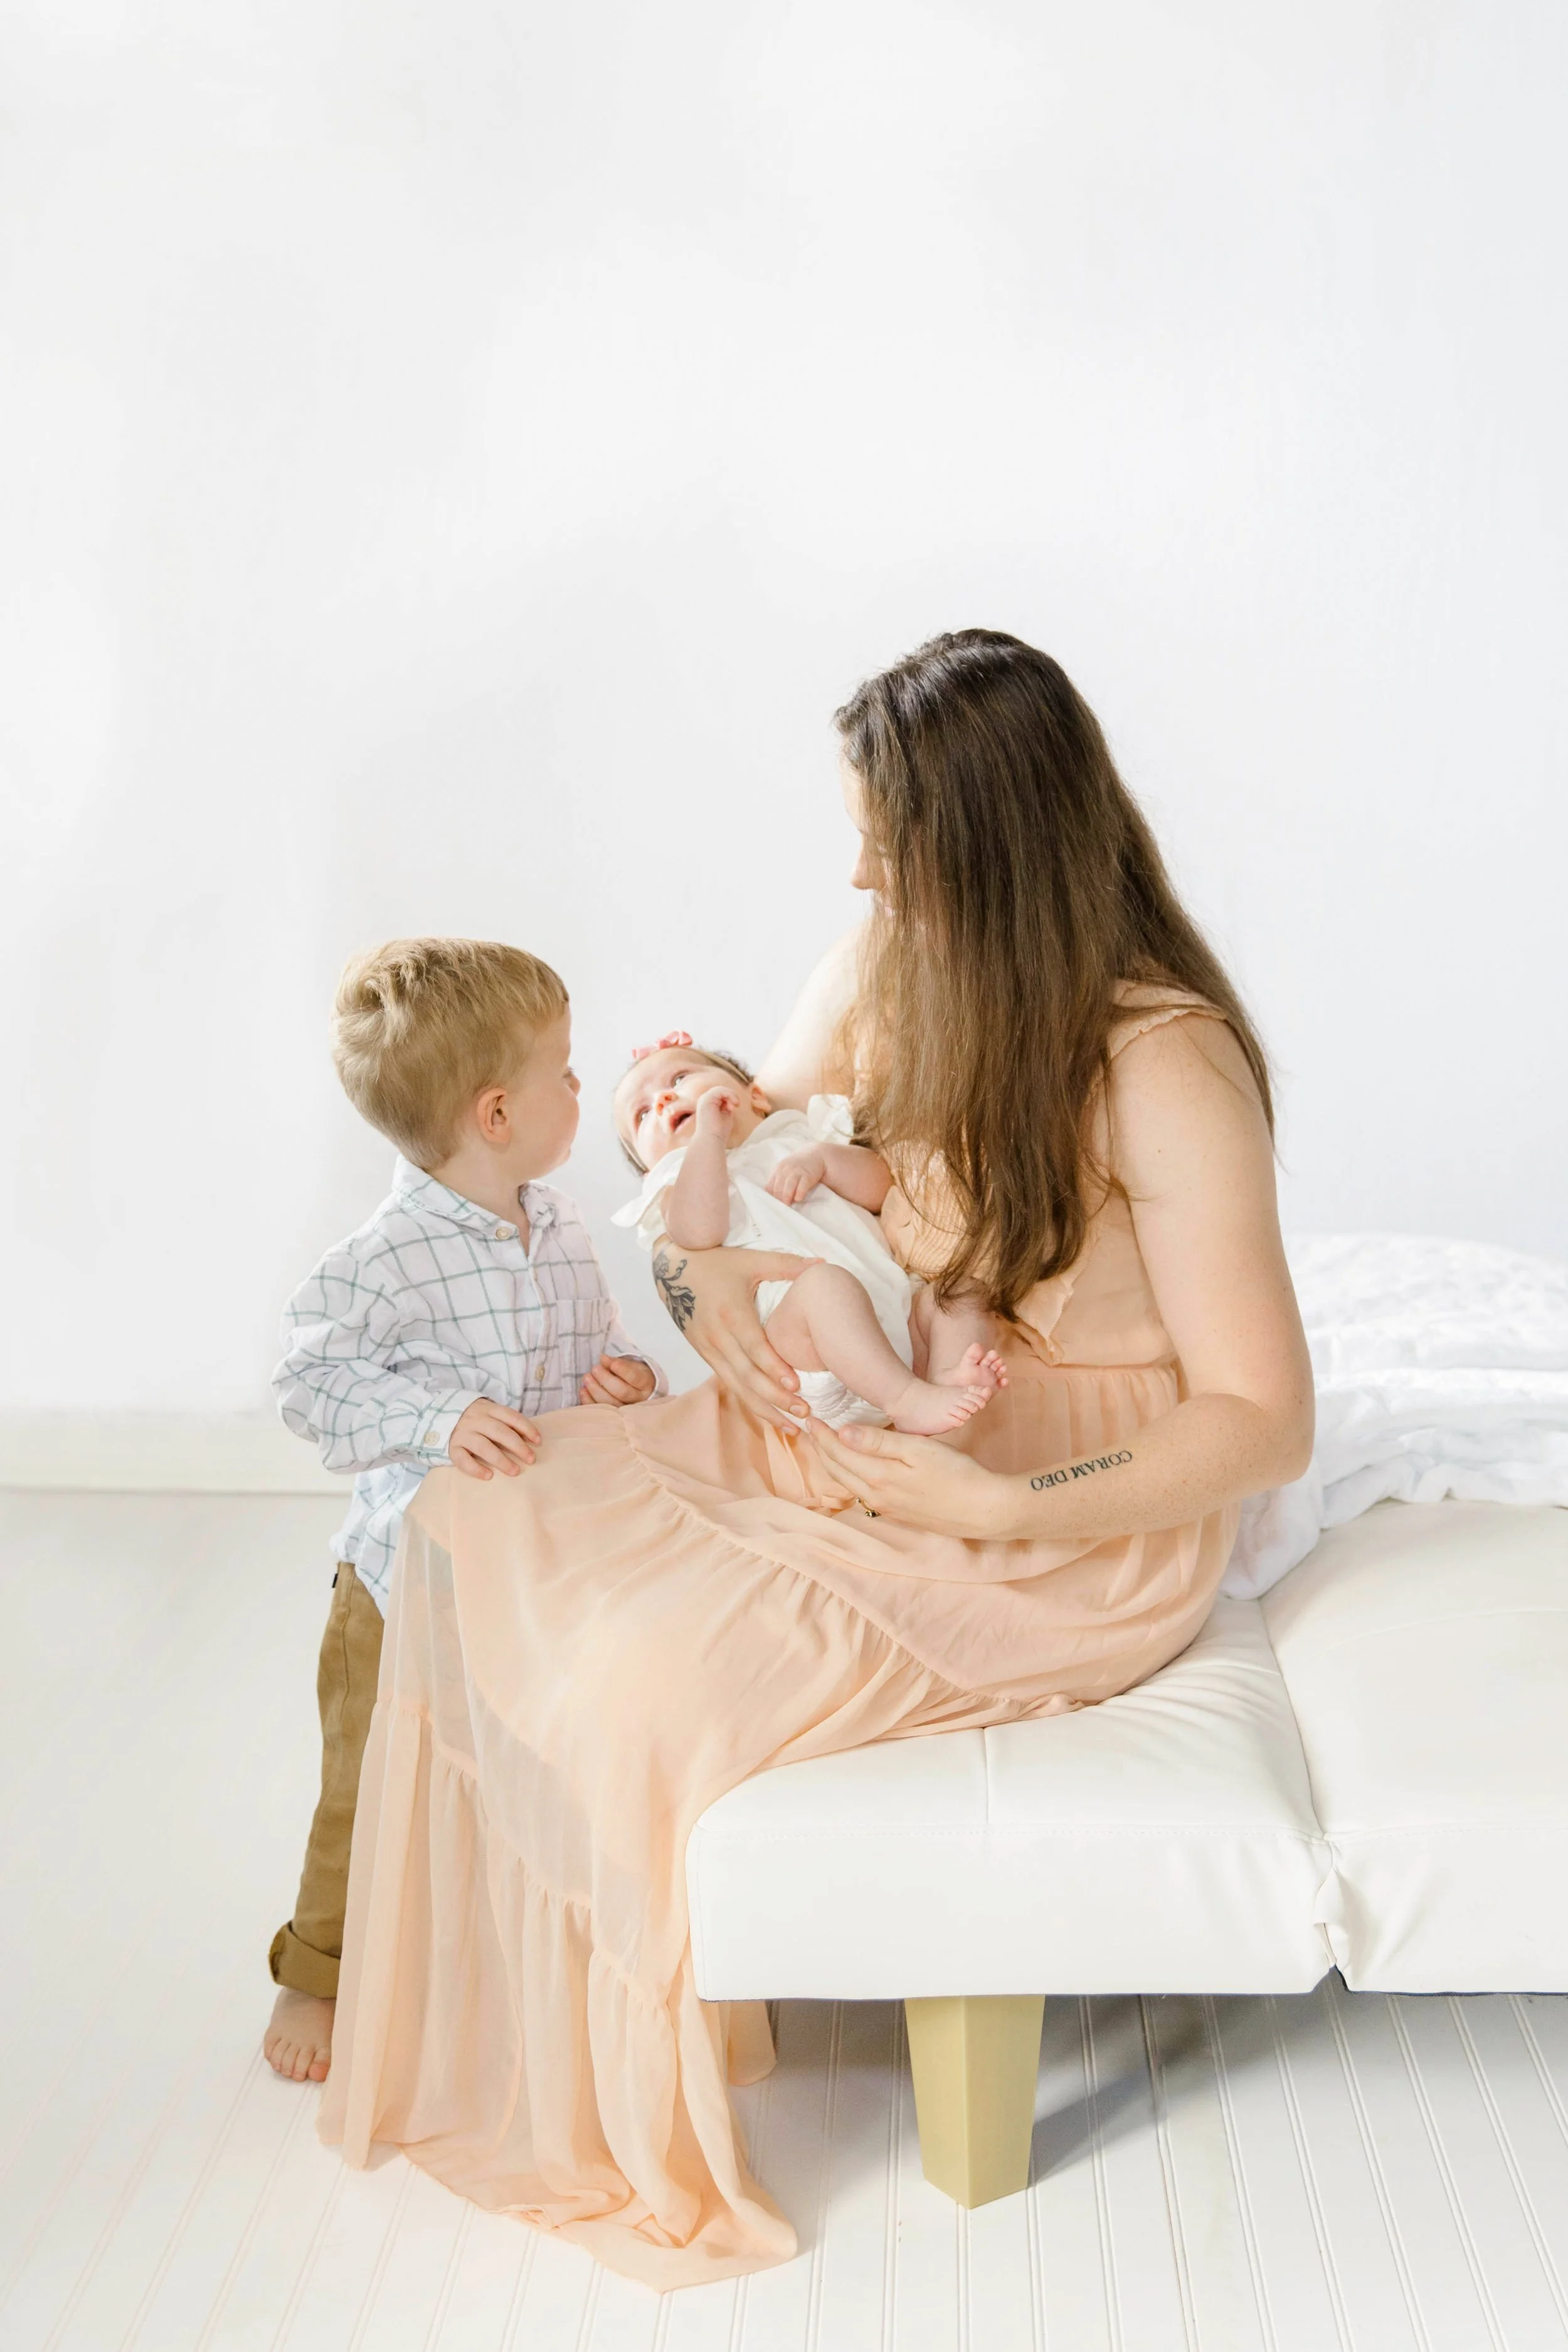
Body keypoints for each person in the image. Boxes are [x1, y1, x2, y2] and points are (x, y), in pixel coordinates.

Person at [318, 632, 1314, 2291]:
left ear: (988, 846)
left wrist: (1006, 1495)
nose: (854, 868)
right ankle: (433, 1979)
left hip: (1065, 1498)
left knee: (646, 1677)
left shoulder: (1160, 1061)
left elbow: (1260, 1415)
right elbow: (768, 1129)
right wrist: (679, 1112)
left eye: (886, 836)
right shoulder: (889, 952)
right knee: (494, 1508)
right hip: (888, 1401)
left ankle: (673, 2038)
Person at [263, 937, 662, 2084]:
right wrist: (440, 1420)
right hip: (404, 1580)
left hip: (532, 1572)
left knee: (518, 1762)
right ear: (497, 1112)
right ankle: (318, 1971)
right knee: (366, 1783)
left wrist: (622, 1381)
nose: (583, 1091)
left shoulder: (563, 1230)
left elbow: (601, 1349)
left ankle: (502, 1943)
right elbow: (311, 1386)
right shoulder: (380, 1262)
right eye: (567, 1072)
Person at [612, 1037, 1007, 1432]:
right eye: (642, 1114)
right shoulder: (674, 1186)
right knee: (823, 1283)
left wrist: (822, 1160)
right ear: (649, 1169)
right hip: (806, 1352)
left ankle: (948, 1378)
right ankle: (906, 1401)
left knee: (960, 1292)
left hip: (900, 1321)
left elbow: (881, 1188)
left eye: (680, 1077)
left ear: (757, 1098)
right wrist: (708, 1140)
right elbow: (698, 1232)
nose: (662, 1099)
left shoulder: (803, 1136)